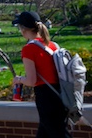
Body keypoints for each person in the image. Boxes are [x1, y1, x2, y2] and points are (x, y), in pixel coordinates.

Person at [12, 10, 70, 138]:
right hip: (61, 93)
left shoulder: (29, 49)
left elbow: (32, 80)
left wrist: (19, 80)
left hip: (45, 96)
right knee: (46, 132)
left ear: (23, 29)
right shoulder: (53, 45)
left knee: (58, 134)